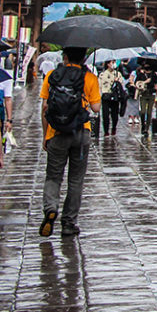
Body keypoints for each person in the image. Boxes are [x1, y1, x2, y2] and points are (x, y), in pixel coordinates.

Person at [39, 47, 102, 238]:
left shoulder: (52, 75)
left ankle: (50, 208)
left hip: (56, 132)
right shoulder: (89, 78)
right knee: (76, 179)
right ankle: (68, 222)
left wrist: (45, 136)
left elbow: (44, 107)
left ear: (64, 57)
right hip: (81, 133)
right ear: (83, 58)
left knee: (53, 176)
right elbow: (96, 108)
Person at [97, 60, 124, 137]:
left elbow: (121, 85)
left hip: (115, 96)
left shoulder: (118, 74)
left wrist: (117, 81)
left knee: (114, 114)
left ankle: (114, 127)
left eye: (114, 62)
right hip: (106, 95)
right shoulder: (102, 74)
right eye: (111, 62)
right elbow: (100, 86)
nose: (113, 64)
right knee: (105, 115)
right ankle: (106, 131)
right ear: (108, 64)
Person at [134, 63, 157, 136]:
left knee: (149, 112)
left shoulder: (154, 75)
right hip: (143, 94)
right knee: (143, 111)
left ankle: (147, 128)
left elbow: (156, 86)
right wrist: (145, 82)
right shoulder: (140, 75)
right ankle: (143, 124)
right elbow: (136, 84)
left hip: (151, 94)